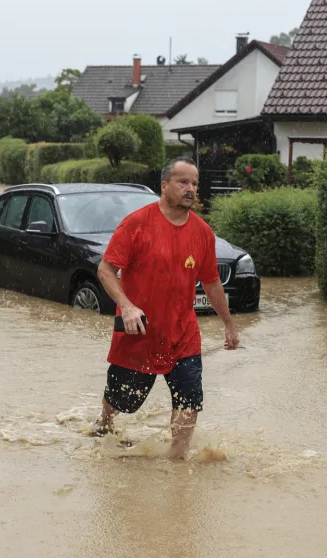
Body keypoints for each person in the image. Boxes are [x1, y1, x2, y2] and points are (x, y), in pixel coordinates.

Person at [92, 156, 240, 459]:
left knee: (189, 401)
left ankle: (177, 464)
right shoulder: (136, 224)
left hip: (183, 334)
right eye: (183, 182)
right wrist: (127, 306)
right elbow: (105, 270)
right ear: (164, 186)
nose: (191, 189)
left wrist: (228, 323)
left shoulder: (202, 233)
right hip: (139, 332)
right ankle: (104, 425)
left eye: (195, 184)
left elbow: (212, 284)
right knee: (121, 400)